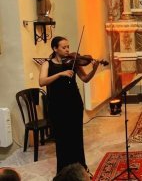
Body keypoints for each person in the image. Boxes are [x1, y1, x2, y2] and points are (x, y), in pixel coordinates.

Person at [39, 36, 100, 174]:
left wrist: (94, 69)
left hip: (74, 104)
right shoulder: (47, 64)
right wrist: (60, 74)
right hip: (57, 106)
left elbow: (85, 79)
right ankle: (63, 172)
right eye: (63, 47)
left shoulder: (73, 62)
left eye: (68, 47)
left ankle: (81, 168)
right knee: (61, 140)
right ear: (55, 48)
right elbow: (42, 81)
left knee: (76, 138)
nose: (67, 50)